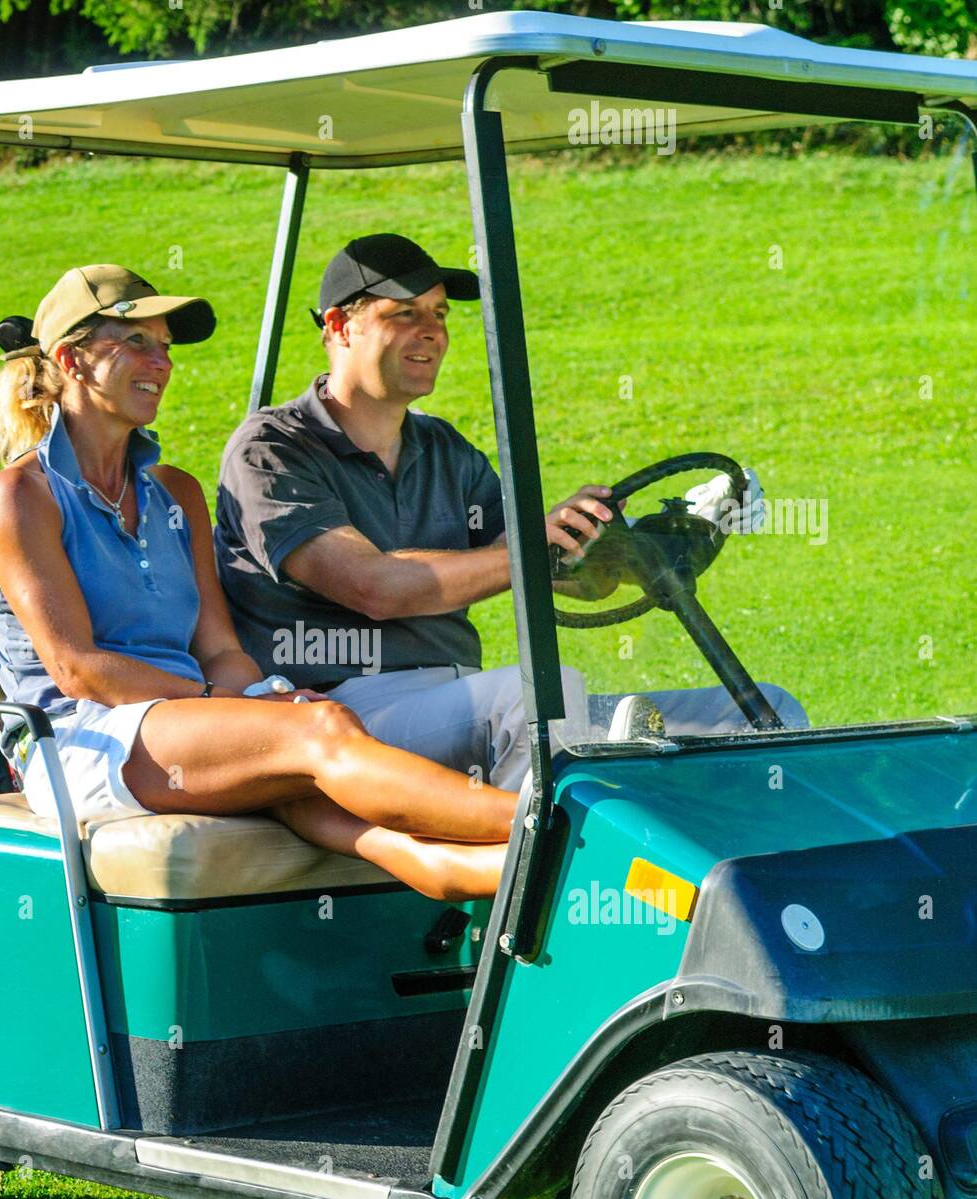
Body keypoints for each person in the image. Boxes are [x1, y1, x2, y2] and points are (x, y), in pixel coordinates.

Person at [0, 263, 515, 902]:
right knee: (322, 731)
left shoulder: (175, 492)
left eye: (165, 347)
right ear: (73, 359)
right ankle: (562, 832)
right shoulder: (20, 497)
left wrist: (253, 694)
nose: (162, 362)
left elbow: (221, 648)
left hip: (192, 724)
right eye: (137, 342)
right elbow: (80, 670)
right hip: (80, 739)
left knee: (377, 822)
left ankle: (498, 870)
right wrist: (228, 704)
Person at [214, 234, 807, 790]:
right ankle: (531, 888)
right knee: (540, 699)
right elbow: (375, 587)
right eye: (405, 314)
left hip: (457, 699)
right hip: (336, 712)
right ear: (340, 327)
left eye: (440, 314)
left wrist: (639, 542)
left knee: (764, 709)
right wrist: (527, 546)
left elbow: (552, 575)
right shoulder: (272, 450)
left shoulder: (444, 449)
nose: (432, 333)